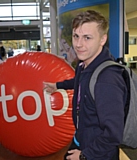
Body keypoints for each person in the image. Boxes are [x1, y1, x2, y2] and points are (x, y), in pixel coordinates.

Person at [44, 10, 127, 160]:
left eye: (87, 38)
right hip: (82, 137)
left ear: (102, 39)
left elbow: (113, 134)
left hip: (97, 151)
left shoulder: (107, 79)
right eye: (76, 36)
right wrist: (57, 86)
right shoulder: (85, 66)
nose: (78, 44)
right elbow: (80, 83)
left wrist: (84, 155)